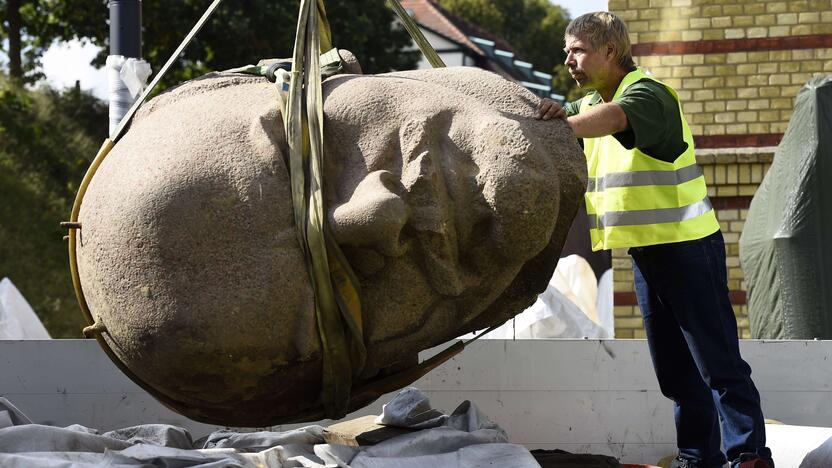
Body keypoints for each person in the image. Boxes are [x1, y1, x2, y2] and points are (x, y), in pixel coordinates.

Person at [537, 12, 774, 468]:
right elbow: (576, 118)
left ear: (610, 51)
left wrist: (565, 122)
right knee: (677, 373)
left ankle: (749, 457)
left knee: (718, 363)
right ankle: (696, 457)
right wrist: (549, 115)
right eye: (567, 50)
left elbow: (615, 117)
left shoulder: (648, 94)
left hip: (687, 248)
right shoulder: (588, 104)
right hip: (648, 252)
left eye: (578, 49)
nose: (568, 58)